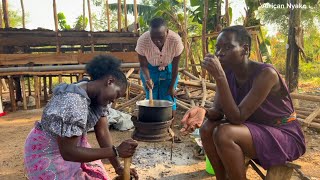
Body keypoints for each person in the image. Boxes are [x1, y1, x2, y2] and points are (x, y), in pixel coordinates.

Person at [180, 25, 306, 180]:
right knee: (207, 128)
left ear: (245, 49)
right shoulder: (227, 73)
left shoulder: (266, 74)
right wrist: (203, 111)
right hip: (253, 130)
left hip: (283, 135)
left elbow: (237, 118)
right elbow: (218, 111)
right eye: (218, 48)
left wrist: (219, 77)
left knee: (224, 133)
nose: (220, 53)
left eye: (227, 47)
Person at [24, 55, 139, 180]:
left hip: (74, 147)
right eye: (116, 94)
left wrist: (118, 167)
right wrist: (115, 151)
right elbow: (68, 152)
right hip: (48, 151)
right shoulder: (73, 101)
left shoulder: (98, 98)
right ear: (109, 81)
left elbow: (102, 132)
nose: (114, 100)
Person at [135, 17, 184, 117]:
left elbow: (175, 68)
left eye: (160, 37)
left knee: (169, 98)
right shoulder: (143, 41)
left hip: (169, 68)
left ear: (167, 31)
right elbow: (143, 65)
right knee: (151, 96)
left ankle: (168, 128)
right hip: (149, 69)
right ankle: (153, 125)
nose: (157, 41)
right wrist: (148, 79)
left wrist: (171, 87)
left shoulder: (176, 41)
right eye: (153, 37)